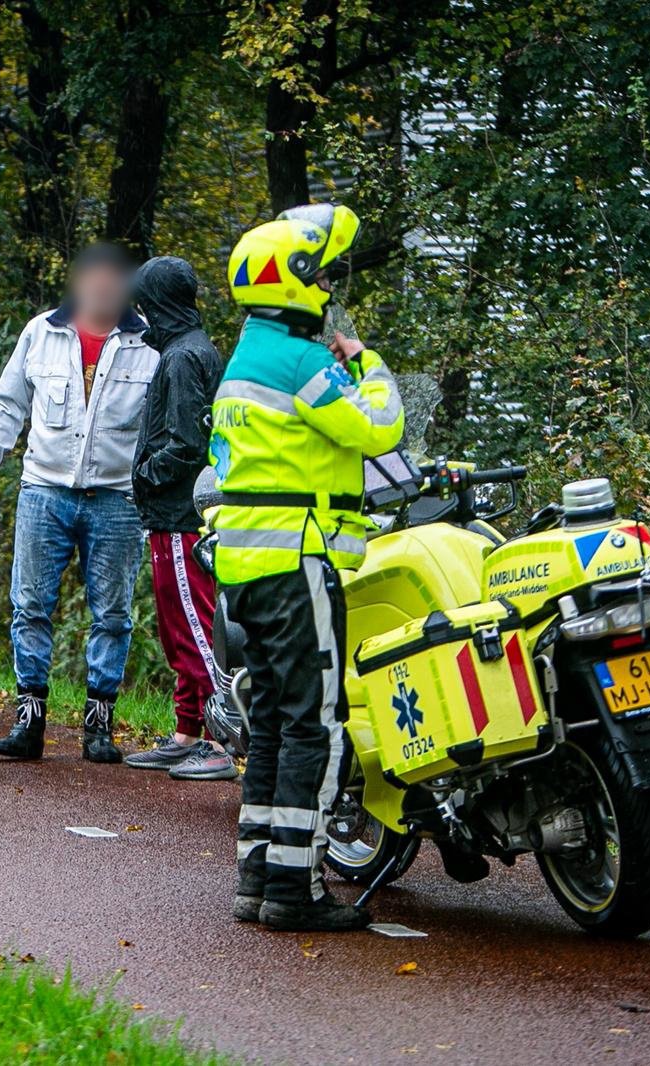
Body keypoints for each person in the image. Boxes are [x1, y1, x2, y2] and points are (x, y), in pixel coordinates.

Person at [210, 203, 404, 932]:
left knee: (273, 723)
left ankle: (258, 877)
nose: (326, 286)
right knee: (316, 726)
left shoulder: (246, 359)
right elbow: (378, 427)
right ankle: (296, 890)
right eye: (319, 273)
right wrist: (370, 364)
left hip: (246, 567)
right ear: (291, 283)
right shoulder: (302, 361)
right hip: (298, 560)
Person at [0, 243, 156, 763]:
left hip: (117, 497)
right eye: (92, 279)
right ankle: (29, 720)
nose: (101, 289)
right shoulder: (41, 332)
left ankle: (99, 725)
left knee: (114, 613)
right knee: (30, 606)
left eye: (111, 281)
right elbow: (9, 402)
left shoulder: (149, 342)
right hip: (44, 490)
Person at [121, 256, 236, 782]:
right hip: (175, 513)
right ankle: (188, 731)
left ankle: (218, 739)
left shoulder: (184, 358)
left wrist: (143, 475)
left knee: (194, 625)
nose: (141, 316)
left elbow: (188, 445)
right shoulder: (188, 351)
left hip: (181, 515)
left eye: (145, 305)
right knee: (179, 627)